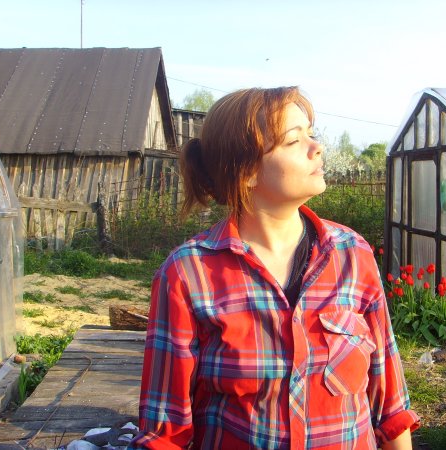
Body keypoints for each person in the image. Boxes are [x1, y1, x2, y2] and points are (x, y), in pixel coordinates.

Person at [129, 86, 419, 450]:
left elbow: (390, 404)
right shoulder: (188, 274)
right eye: (293, 140)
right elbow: (164, 434)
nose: (316, 147)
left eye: (311, 133)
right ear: (247, 171)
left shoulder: (353, 255)